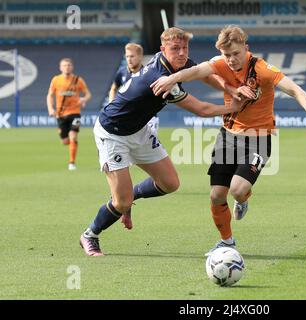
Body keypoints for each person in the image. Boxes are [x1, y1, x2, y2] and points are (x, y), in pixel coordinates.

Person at [151, 25, 306, 255]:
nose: (231, 59)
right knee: (216, 195)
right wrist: (171, 79)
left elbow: (296, 90)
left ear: (246, 49)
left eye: (236, 54)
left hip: (258, 138)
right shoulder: (220, 62)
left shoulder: (263, 69)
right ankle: (226, 241)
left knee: (238, 189)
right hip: (227, 136)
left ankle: (243, 199)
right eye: (227, 55)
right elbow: (196, 71)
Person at [79, 27, 245, 256]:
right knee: (121, 202)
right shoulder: (160, 80)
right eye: (175, 49)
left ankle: (130, 196)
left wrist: (229, 88)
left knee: (170, 183)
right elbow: (201, 109)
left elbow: (205, 75)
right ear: (162, 50)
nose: (181, 53)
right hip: (113, 134)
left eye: (184, 48)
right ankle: (90, 234)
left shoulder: (175, 64)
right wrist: (232, 108)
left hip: (139, 130)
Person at [46, 58, 92, 170]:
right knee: (65, 141)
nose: (67, 67)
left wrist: (83, 99)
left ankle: (72, 162)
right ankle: (62, 132)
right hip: (61, 113)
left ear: (72, 67)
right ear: (60, 67)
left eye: (69, 65)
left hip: (75, 112)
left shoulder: (78, 80)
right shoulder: (56, 80)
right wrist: (50, 109)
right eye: (65, 65)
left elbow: (88, 94)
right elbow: (50, 95)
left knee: (73, 136)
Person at [109, 43, 159, 134]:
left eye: (132, 56)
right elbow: (113, 88)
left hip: (148, 118)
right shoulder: (122, 72)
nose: (129, 59)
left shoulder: (149, 74)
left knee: (147, 147)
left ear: (140, 56)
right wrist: (111, 103)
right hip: (129, 118)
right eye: (127, 56)